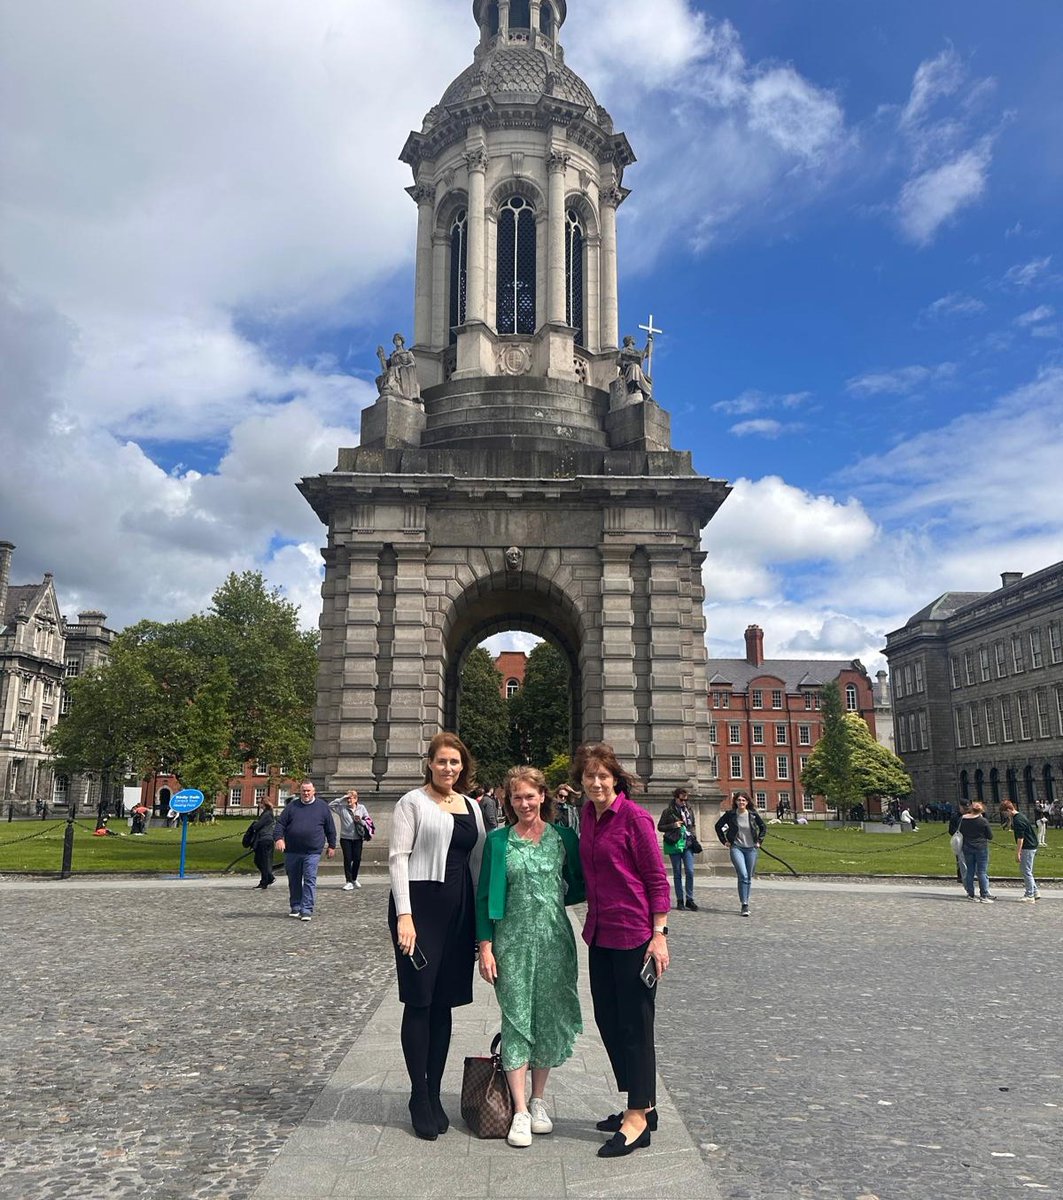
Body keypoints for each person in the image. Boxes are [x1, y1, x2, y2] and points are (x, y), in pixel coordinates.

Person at [476, 766, 584, 1149]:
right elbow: (485, 895)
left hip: (555, 941)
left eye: (530, 796)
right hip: (512, 943)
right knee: (517, 1017)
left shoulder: (564, 838)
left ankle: (538, 1100)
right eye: (516, 797)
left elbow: (581, 882)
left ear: (543, 797)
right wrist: (485, 946)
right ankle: (519, 1110)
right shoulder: (498, 841)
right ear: (509, 801)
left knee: (548, 1018)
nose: (524, 803)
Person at [389, 733, 486, 1141]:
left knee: (444, 1004)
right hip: (421, 910)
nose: (449, 768)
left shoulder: (473, 807)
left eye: (456, 763)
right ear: (429, 763)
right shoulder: (411, 802)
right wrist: (404, 916)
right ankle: (417, 1095)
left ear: (463, 767)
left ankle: (433, 1091)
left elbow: (480, 859)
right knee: (419, 1001)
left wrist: (484, 926)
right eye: (442, 761)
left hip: (459, 913)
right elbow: (398, 859)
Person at [575, 742, 670, 1159]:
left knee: (635, 1026)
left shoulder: (635, 818)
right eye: (589, 776)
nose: (596, 782)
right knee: (609, 1021)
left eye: (603, 776)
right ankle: (642, 1103)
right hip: (599, 934)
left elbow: (657, 880)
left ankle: (636, 1119)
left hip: (634, 935)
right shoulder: (587, 817)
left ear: (616, 779)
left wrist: (660, 934)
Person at [273, 781, 336, 921]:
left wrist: (332, 845)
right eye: (303, 791)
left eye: (308, 791)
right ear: (300, 792)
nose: (306, 793)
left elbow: (330, 828)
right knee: (294, 880)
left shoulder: (322, 807)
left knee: (309, 879)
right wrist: (278, 838)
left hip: (312, 851)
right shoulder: (292, 807)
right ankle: (296, 905)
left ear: (314, 791)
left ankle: (306, 909)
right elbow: (280, 824)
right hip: (292, 851)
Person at [715, 793, 767, 917]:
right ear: (735, 802)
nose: (741, 802)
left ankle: (746, 900)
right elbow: (718, 826)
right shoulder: (730, 814)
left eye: (743, 800)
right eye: (738, 800)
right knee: (742, 874)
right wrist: (725, 841)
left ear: (747, 802)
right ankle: (744, 904)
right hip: (736, 847)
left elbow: (763, 827)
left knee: (748, 876)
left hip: (751, 849)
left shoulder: (753, 815)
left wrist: (759, 841)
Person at [657, 788, 698, 911]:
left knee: (690, 871)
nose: (684, 802)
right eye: (681, 800)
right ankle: (680, 900)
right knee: (677, 872)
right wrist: (673, 826)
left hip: (687, 843)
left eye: (686, 800)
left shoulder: (689, 810)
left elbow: (692, 825)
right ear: (676, 798)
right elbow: (660, 827)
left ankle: (689, 899)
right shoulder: (668, 811)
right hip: (674, 843)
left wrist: (693, 836)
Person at [330, 789, 370, 891]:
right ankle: (348, 881)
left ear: (356, 799)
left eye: (350, 798)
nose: (348, 800)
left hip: (357, 838)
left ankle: (354, 878)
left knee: (357, 859)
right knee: (348, 859)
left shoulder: (361, 808)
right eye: (347, 798)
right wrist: (342, 798)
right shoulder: (342, 808)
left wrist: (360, 821)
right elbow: (330, 806)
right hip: (345, 838)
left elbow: (368, 821)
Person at [1001, 799, 1040, 902]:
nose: (1005, 815)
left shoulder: (1018, 820)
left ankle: (1029, 895)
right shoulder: (1019, 816)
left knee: (1026, 870)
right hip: (1031, 845)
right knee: (1027, 870)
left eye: (1005, 812)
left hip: (1028, 846)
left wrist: (1018, 853)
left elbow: (1020, 839)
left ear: (1009, 810)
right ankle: (1035, 891)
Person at [958, 800, 994, 903]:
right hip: (981, 847)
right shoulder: (983, 821)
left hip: (967, 847)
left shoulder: (962, 819)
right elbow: (990, 836)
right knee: (981, 872)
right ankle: (984, 895)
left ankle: (971, 894)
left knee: (970, 871)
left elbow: (960, 832)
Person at [249, 796, 277, 890]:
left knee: (263, 861)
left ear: (263, 803)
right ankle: (268, 877)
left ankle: (265, 881)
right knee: (259, 861)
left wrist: (254, 824)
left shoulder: (267, 814)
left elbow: (257, 826)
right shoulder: (266, 813)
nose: (258, 805)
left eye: (259, 803)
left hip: (265, 840)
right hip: (264, 839)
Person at [949, 801, 971, 885]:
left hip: (969, 840)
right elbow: (951, 830)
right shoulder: (955, 816)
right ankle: (961, 876)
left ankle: (969, 876)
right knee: (960, 860)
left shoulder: (970, 815)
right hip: (960, 841)